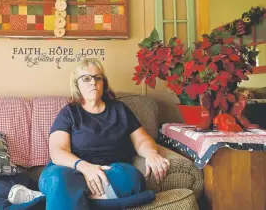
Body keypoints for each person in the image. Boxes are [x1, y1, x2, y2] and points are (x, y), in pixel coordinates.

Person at [36, 58, 170, 210]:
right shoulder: (69, 113)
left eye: (97, 78)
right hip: (70, 170)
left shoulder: (120, 109)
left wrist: (151, 154)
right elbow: (58, 151)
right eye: (86, 78)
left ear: (103, 83)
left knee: (133, 178)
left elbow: (141, 140)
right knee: (59, 180)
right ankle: (92, 199)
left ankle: (69, 199)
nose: (93, 82)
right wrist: (86, 168)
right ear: (76, 85)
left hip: (108, 173)